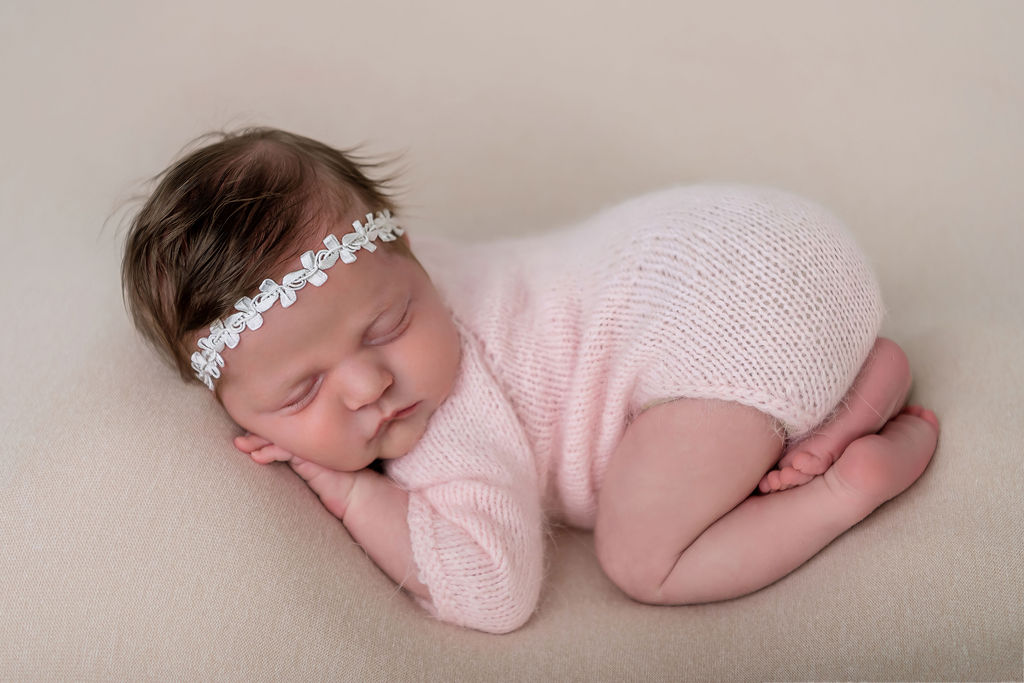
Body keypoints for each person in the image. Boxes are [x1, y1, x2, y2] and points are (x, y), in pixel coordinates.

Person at [121, 127, 939, 634]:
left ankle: (845, 485)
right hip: (787, 244)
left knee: (644, 557)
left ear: (406, 257)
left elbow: (494, 589)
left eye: (388, 326)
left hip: (726, 316)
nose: (369, 383)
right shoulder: (368, 275)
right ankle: (854, 383)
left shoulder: (445, 420)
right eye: (302, 393)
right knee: (727, 392)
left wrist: (355, 494)